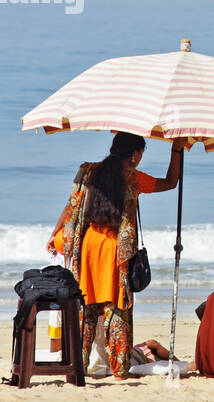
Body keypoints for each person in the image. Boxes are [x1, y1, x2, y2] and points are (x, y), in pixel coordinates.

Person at [47, 131, 184, 379]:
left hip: (88, 245)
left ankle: (77, 367)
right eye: (141, 153)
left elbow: (71, 205)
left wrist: (55, 232)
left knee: (86, 308)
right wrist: (177, 149)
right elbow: (170, 182)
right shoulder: (133, 177)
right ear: (135, 154)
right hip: (115, 250)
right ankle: (120, 369)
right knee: (117, 309)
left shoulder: (88, 171)